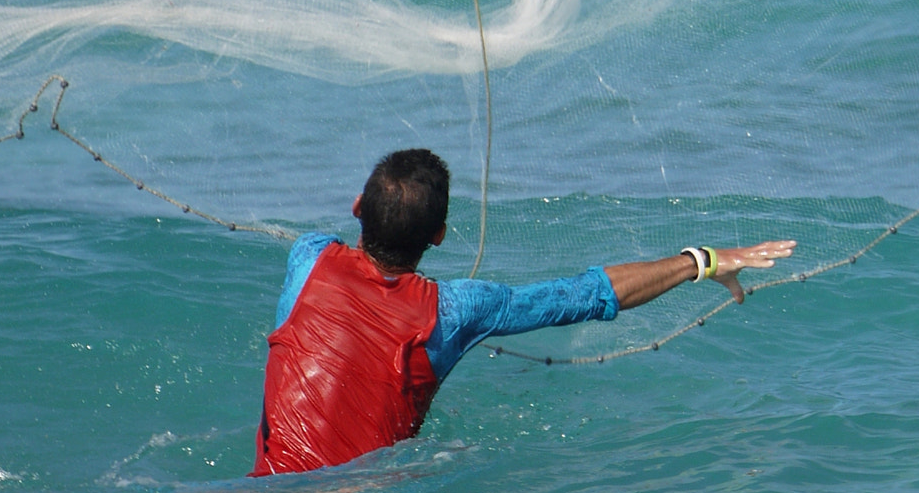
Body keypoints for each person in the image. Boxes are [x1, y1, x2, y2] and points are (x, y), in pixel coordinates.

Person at [252, 147, 795, 475]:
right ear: (439, 236)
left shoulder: (309, 257)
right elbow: (586, 295)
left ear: (355, 209)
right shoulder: (459, 309)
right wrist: (701, 261)